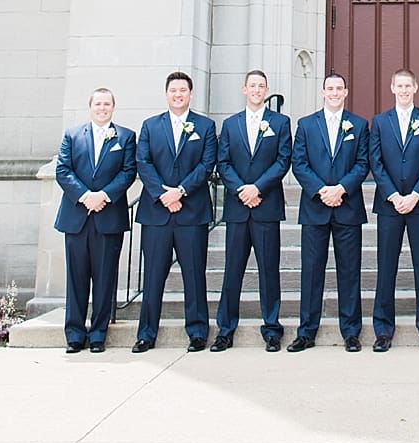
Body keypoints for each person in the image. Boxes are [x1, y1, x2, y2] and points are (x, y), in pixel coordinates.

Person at [132, 71, 216, 351]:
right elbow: (143, 163)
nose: (178, 95)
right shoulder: (150, 126)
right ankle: (146, 334)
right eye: (173, 90)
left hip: (192, 212)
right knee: (153, 276)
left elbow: (206, 164)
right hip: (157, 213)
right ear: (166, 94)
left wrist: (180, 191)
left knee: (194, 274)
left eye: (183, 90)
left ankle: (197, 332)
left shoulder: (205, 126)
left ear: (190, 94)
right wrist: (163, 194)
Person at [213, 69, 293, 350]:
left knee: (269, 271)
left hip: (266, 206)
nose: (257, 90)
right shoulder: (230, 124)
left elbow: (283, 160)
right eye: (253, 86)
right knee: (232, 271)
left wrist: (258, 188)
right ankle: (225, 330)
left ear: (266, 90)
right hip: (238, 208)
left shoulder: (280, 123)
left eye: (261, 86)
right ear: (244, 90)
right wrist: (241, 190)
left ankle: (271, 329)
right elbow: (223, 162)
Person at [289, 72, 369, 351]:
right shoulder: (306, 124)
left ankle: (351, 332)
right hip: (315, 208)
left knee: (349, 272)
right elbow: (299, 163)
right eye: (330, 88)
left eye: (339, 89)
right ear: (323, 92)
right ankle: (306, 332)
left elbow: (362, 163)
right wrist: (322, 190)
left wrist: (341, 189)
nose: (334, 93)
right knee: (311, 272)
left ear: (346, 92)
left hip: (348, 207)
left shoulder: (359, 125)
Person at [53, 87, 134, 352]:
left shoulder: (126, 137)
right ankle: (75, 335)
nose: (102, 108)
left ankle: (98, 334)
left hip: (108, 218)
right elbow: (63, 170)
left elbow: (128, 172)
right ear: (90, 107)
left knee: (104, 278)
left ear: (113, 107)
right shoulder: (73, 135)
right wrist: (86, 196)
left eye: (107, 104)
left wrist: (104, 196)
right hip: (77, 218)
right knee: (76, 279)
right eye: (98, 104)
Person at [370, 67, 419, 352]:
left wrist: (414, 195)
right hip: (389, 205)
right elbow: (376, 161)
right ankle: (383, 330)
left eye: (407, 86)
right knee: (386, 267)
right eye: (399, 86)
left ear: (415, 88)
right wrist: (392, 195)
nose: (403, 91)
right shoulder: (380, 121)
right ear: (392, 88)